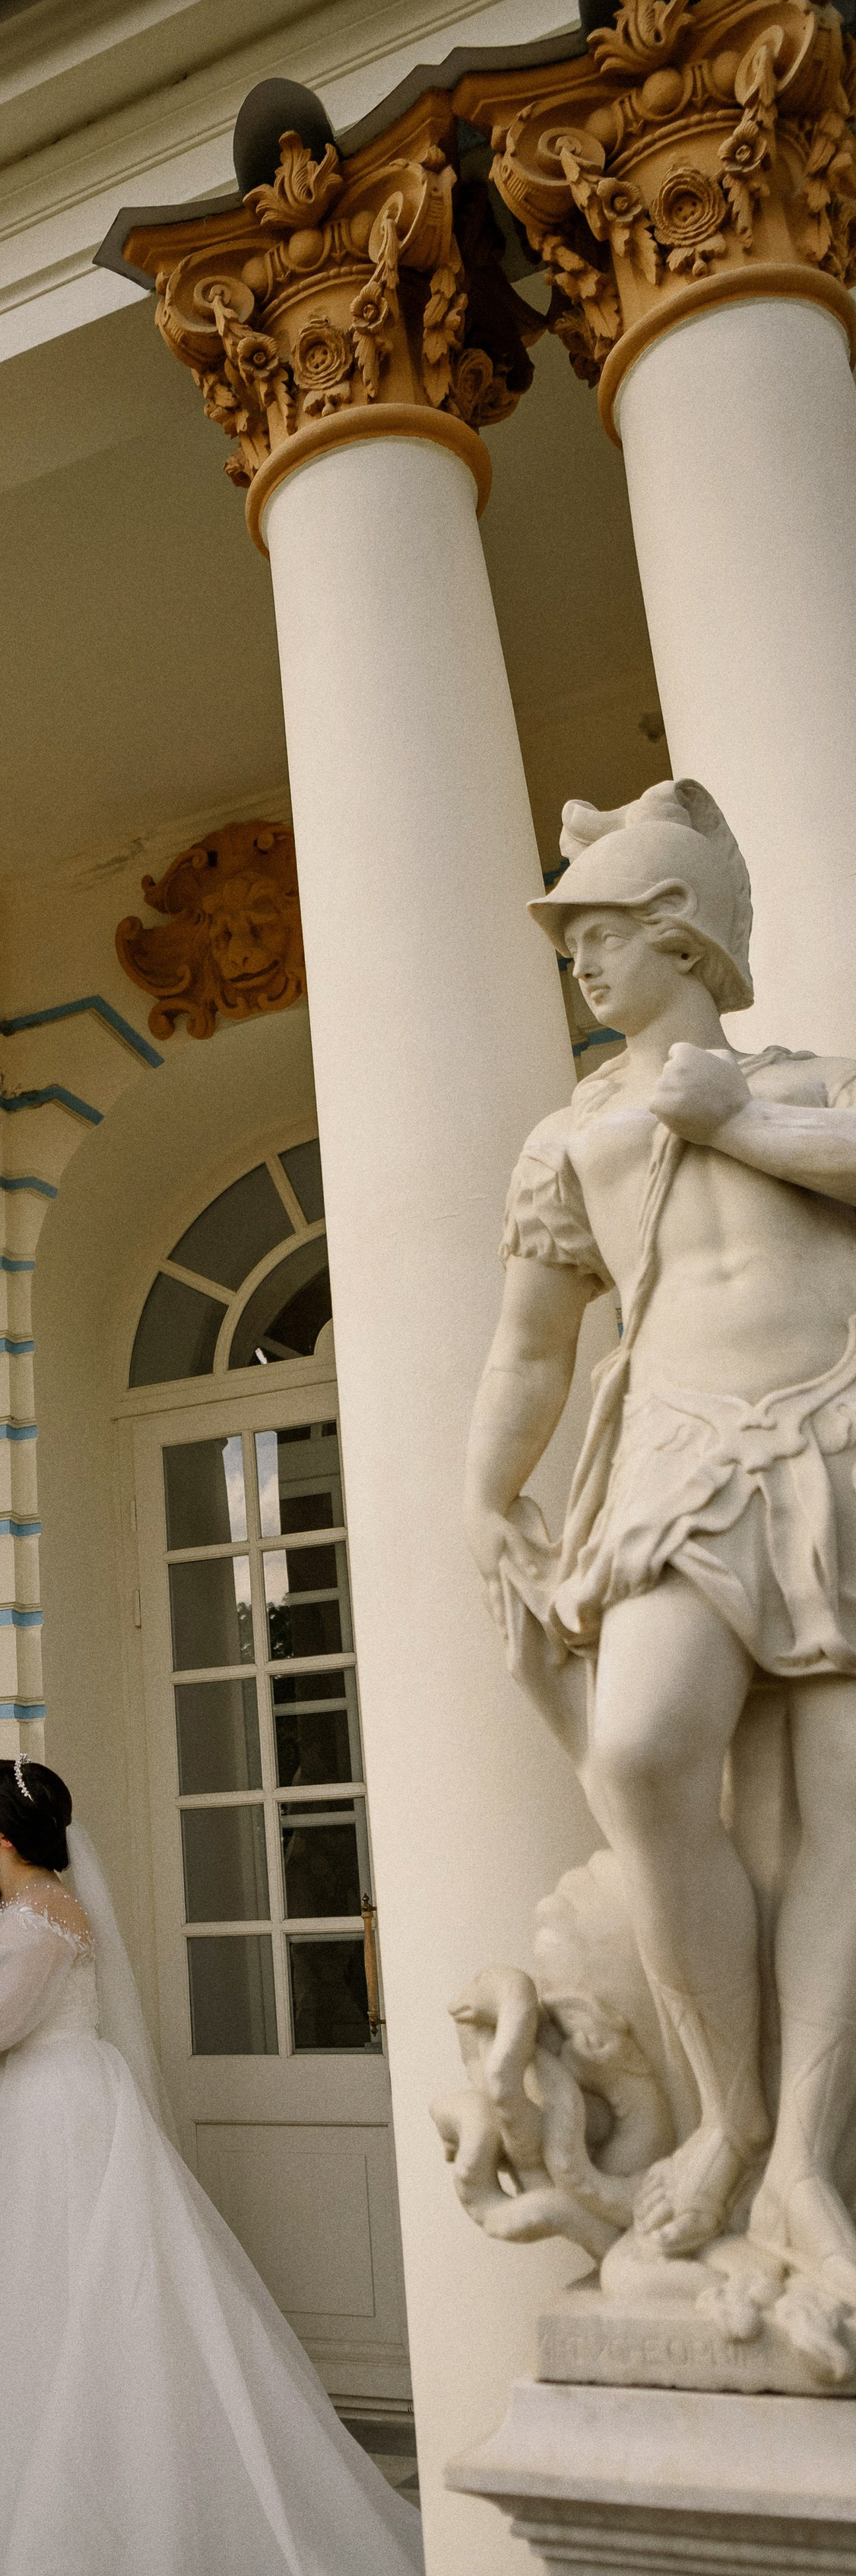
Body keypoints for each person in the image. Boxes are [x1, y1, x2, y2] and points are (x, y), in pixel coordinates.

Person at [467, 779, 856, 2287]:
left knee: (841, 1810)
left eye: (605, 931)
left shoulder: (809, 1079)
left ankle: (801, 2163)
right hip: (679, 1456)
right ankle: (728, 2116)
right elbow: (530, 1348)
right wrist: (479, 1488)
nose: (579, 960)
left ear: (683, 937)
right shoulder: (569, 1132)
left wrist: (744, 1118)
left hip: (834, 1433)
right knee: (638, 1752)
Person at [0, 1756, 427, 2576]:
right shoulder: (38, 1904)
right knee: (24, 2320)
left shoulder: (38, 1914)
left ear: (3, 1833)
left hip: (58, 2123)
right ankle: (10, 2546)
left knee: (63, 2317)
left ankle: (72, 2559)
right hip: (46, 2115)